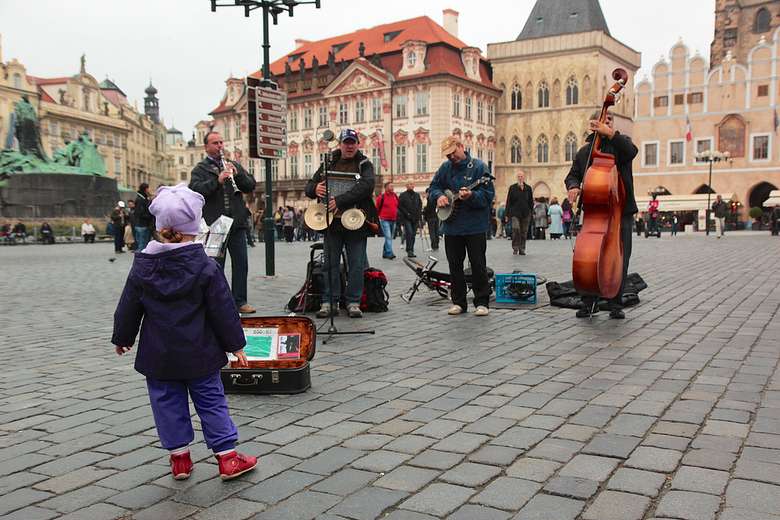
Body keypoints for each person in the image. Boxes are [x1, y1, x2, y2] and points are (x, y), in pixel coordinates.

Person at [112, 184, 257, 482]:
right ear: (195, 227)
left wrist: (123, 337)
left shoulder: (143, 265)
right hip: (201, 353)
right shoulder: (206, 266)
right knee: (211, 401)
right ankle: (227, 458)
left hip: (159, 356)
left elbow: (128, 305)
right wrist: (236, 345)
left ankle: (179, 460)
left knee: (167, 405)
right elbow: (223, 309)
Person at [565, 110, 638, 319]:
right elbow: (573, 175)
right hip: (595, 214)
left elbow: (632, 152)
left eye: (610, 121)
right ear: (594, 124)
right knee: (590, 257)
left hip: (620, 212)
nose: (608, 123)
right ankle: (589, 301)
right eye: (604, 120)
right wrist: (573, 186)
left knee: (619, 257)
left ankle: (615, 303)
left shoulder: (621, 145)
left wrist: (611, 133)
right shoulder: (585, 152)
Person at [305, 128, 377, 319]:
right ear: (341, 144)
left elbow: (367, 186)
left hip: (356, 221)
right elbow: (309, 187)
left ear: (357, 144)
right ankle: (329, 301)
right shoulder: (329, 162)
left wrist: (340, 200)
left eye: (353, 142)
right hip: (331, 223)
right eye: (346, 142)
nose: (350, 146)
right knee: (330, 263)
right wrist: (315, 188)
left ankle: (353, 302)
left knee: (356, 264)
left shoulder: (364, 164)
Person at [189, 132, 257, 314]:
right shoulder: (200, 169)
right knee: (215, 266)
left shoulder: (232, 164)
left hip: (236, 223)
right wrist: (217, 180)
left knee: (241, 263)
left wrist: (237, 175)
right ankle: (217, 302)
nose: (220, 146)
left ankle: (240, 301)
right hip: (215, 224)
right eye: (215, 143)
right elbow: (195, 191)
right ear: (206, 147)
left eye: (221, 142)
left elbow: (250, 185)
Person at [429, 135, 494, 317]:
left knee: (478, 264)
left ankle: (482, 302)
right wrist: (439, 196)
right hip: (452, 226)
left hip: (475, 226)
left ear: (461, 146)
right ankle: (459, 302)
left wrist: (472, 196)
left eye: (453, 153)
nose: (451, 158)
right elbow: (433, 187)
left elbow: (488, 196)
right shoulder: (445, 168)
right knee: (454, 265)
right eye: (448, 155)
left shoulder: (480, 167)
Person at [505, 170, 534, 255]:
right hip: (515, 213)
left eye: (521, 176)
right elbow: (508, 201)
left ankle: (522, 248)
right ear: (517, 178)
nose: (520, 178)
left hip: (526, 213)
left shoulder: (528, 188)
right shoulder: (512, 188)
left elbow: (531, 201)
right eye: (519, 176)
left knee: (524, 232)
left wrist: (531, 212)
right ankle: (515, 247)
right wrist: (507, 214)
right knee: (516, 229)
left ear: (524, 177)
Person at [398, 182, 422, 258]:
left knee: (413, 234)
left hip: (415, 218)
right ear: (406, 186)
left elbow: (420, 205)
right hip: (406, 218)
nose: (411, 186)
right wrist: (406, 214)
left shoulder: (417, 195)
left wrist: (418, 214)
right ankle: (409, 250)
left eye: (412, 184)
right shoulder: (403, 195)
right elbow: (400, 206)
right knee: (409, 233)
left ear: (414, 186)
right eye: (409, 184)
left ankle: (411, 249)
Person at [375, 181, 399, 259]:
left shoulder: (395, 196)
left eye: (393, 186)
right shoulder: (381, 197)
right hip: (384, 219)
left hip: (393, 219)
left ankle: (385, 252)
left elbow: (397, 206)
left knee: (389, 237)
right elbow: (377, 207)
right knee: (388, 236)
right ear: (386, 188)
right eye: (390, 186)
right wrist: (378, 217)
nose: (392, 188)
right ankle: (389, 253)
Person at [134, 183, 153, 252]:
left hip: (142, 225)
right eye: (148, 188)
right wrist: (150, 215)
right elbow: (140, 213)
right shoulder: (140, 200)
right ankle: (141, 261)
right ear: (145, 189)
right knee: (142, 246)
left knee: (142, 245)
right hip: (142, 225)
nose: (149, 190)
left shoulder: (142, 198)